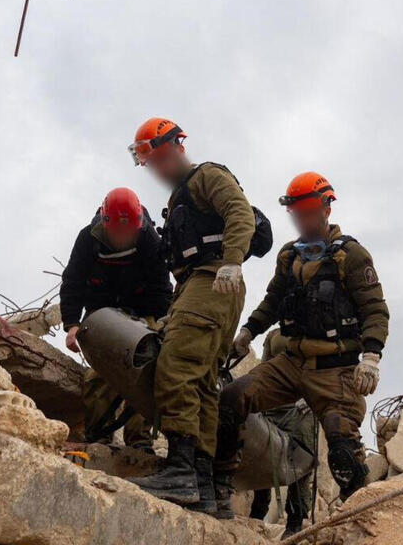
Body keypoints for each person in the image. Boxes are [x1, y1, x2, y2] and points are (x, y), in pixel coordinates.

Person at [216, 172, 390, 514]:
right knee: (232, 399)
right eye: (296, 211)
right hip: (290, 364)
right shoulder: (288, 257)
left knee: (342, 449)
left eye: (309, 209)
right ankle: (219, 489)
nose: (302, 218)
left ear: (326, 208)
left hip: (335, 369)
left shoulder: (351, 257)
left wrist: (371, 356)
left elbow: (375, 310)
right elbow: (273, 300)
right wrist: (248, 332)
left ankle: (364, 516)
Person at [125, 117, 258, 518]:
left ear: (177, 148)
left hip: (212, 280)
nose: (159, 170)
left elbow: (240, 214)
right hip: (198, 286)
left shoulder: (207, 177)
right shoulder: (179, 199)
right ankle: (202, 485)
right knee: (202, 383)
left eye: (162, 159)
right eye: (152, 165)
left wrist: (232, 262)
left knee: (176, 367)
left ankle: (181, 470)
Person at [60, 187, 172, 451]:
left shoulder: (149, 240)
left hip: (145, 310)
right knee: (100, 373)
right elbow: (73, 282)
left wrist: (161, 325)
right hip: (102, 313)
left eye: (129, 231)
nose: (123, 237)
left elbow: (161, 285)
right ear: (106, 223)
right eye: (117, 232)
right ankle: (98, 434)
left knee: (145, 368)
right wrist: (72, 324)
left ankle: (140, 441)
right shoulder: (88, 239)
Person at [248, 329, 317, 539]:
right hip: (272, 405)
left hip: (301, 407)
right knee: (263, 457)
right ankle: (257, 515)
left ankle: (295, 522)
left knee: (301, 461)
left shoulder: (316, 329)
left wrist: (313, 396)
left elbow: (326, 368)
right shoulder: (274, 334)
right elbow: (265, 366)